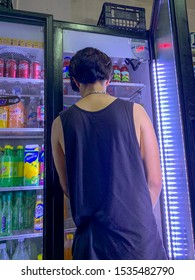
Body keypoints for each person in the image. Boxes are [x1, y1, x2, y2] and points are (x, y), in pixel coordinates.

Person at [51, 47, 167, 260]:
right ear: (109, 79)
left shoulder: (59, 124)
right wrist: (132, 216)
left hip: (91, 244)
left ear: (75, 81)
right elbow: (155, 181)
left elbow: (67, 186)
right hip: (138, 242)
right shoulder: (136, 112)